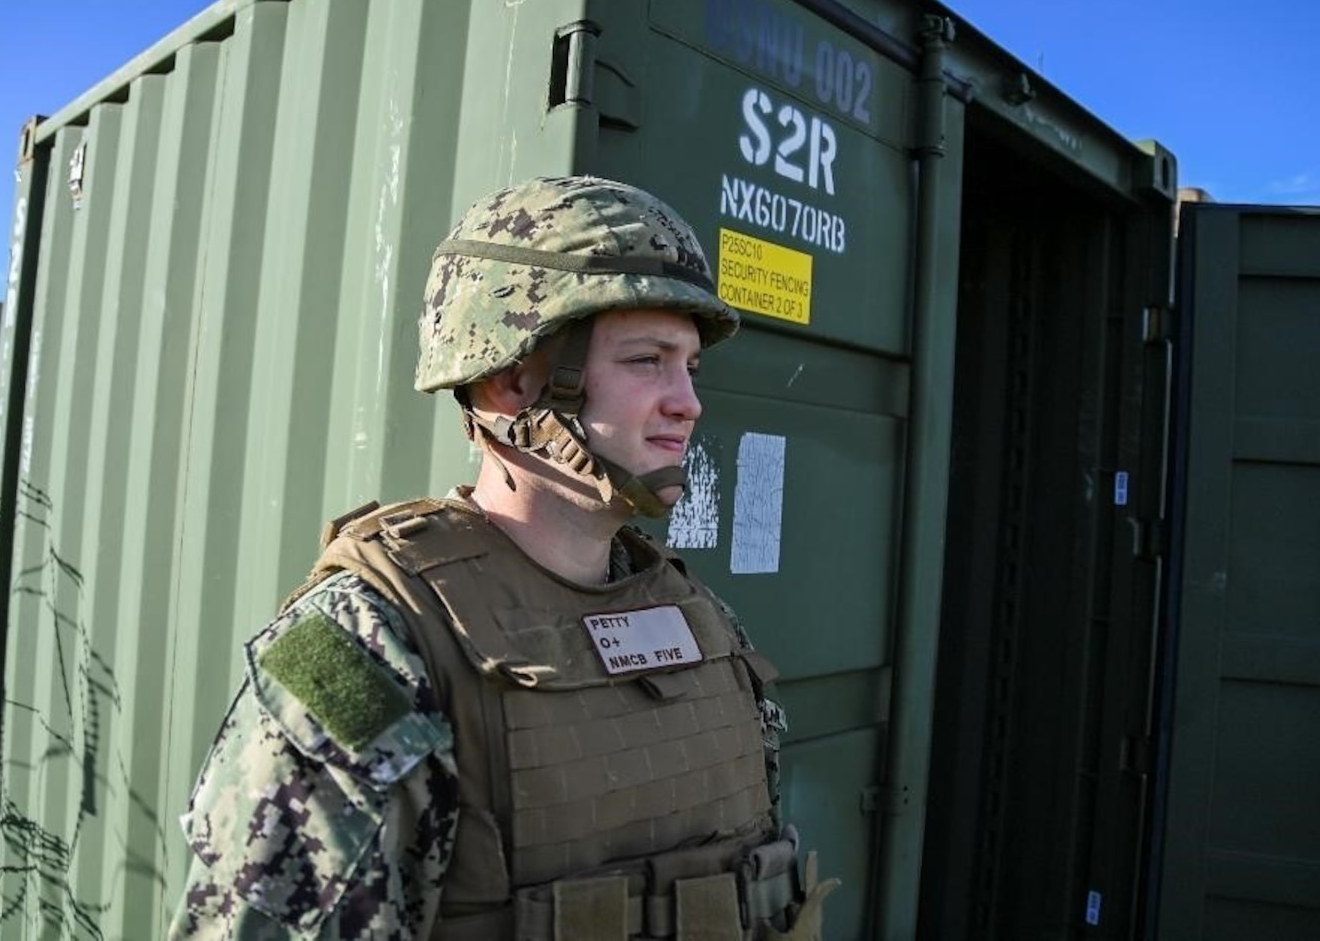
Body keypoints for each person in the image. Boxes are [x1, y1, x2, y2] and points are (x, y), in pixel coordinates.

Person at [170, 176, 836, 940]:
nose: (689, 402)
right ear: (514, 379)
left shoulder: (696, 616)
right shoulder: (376, 643)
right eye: (649, 360)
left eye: (691, 366)